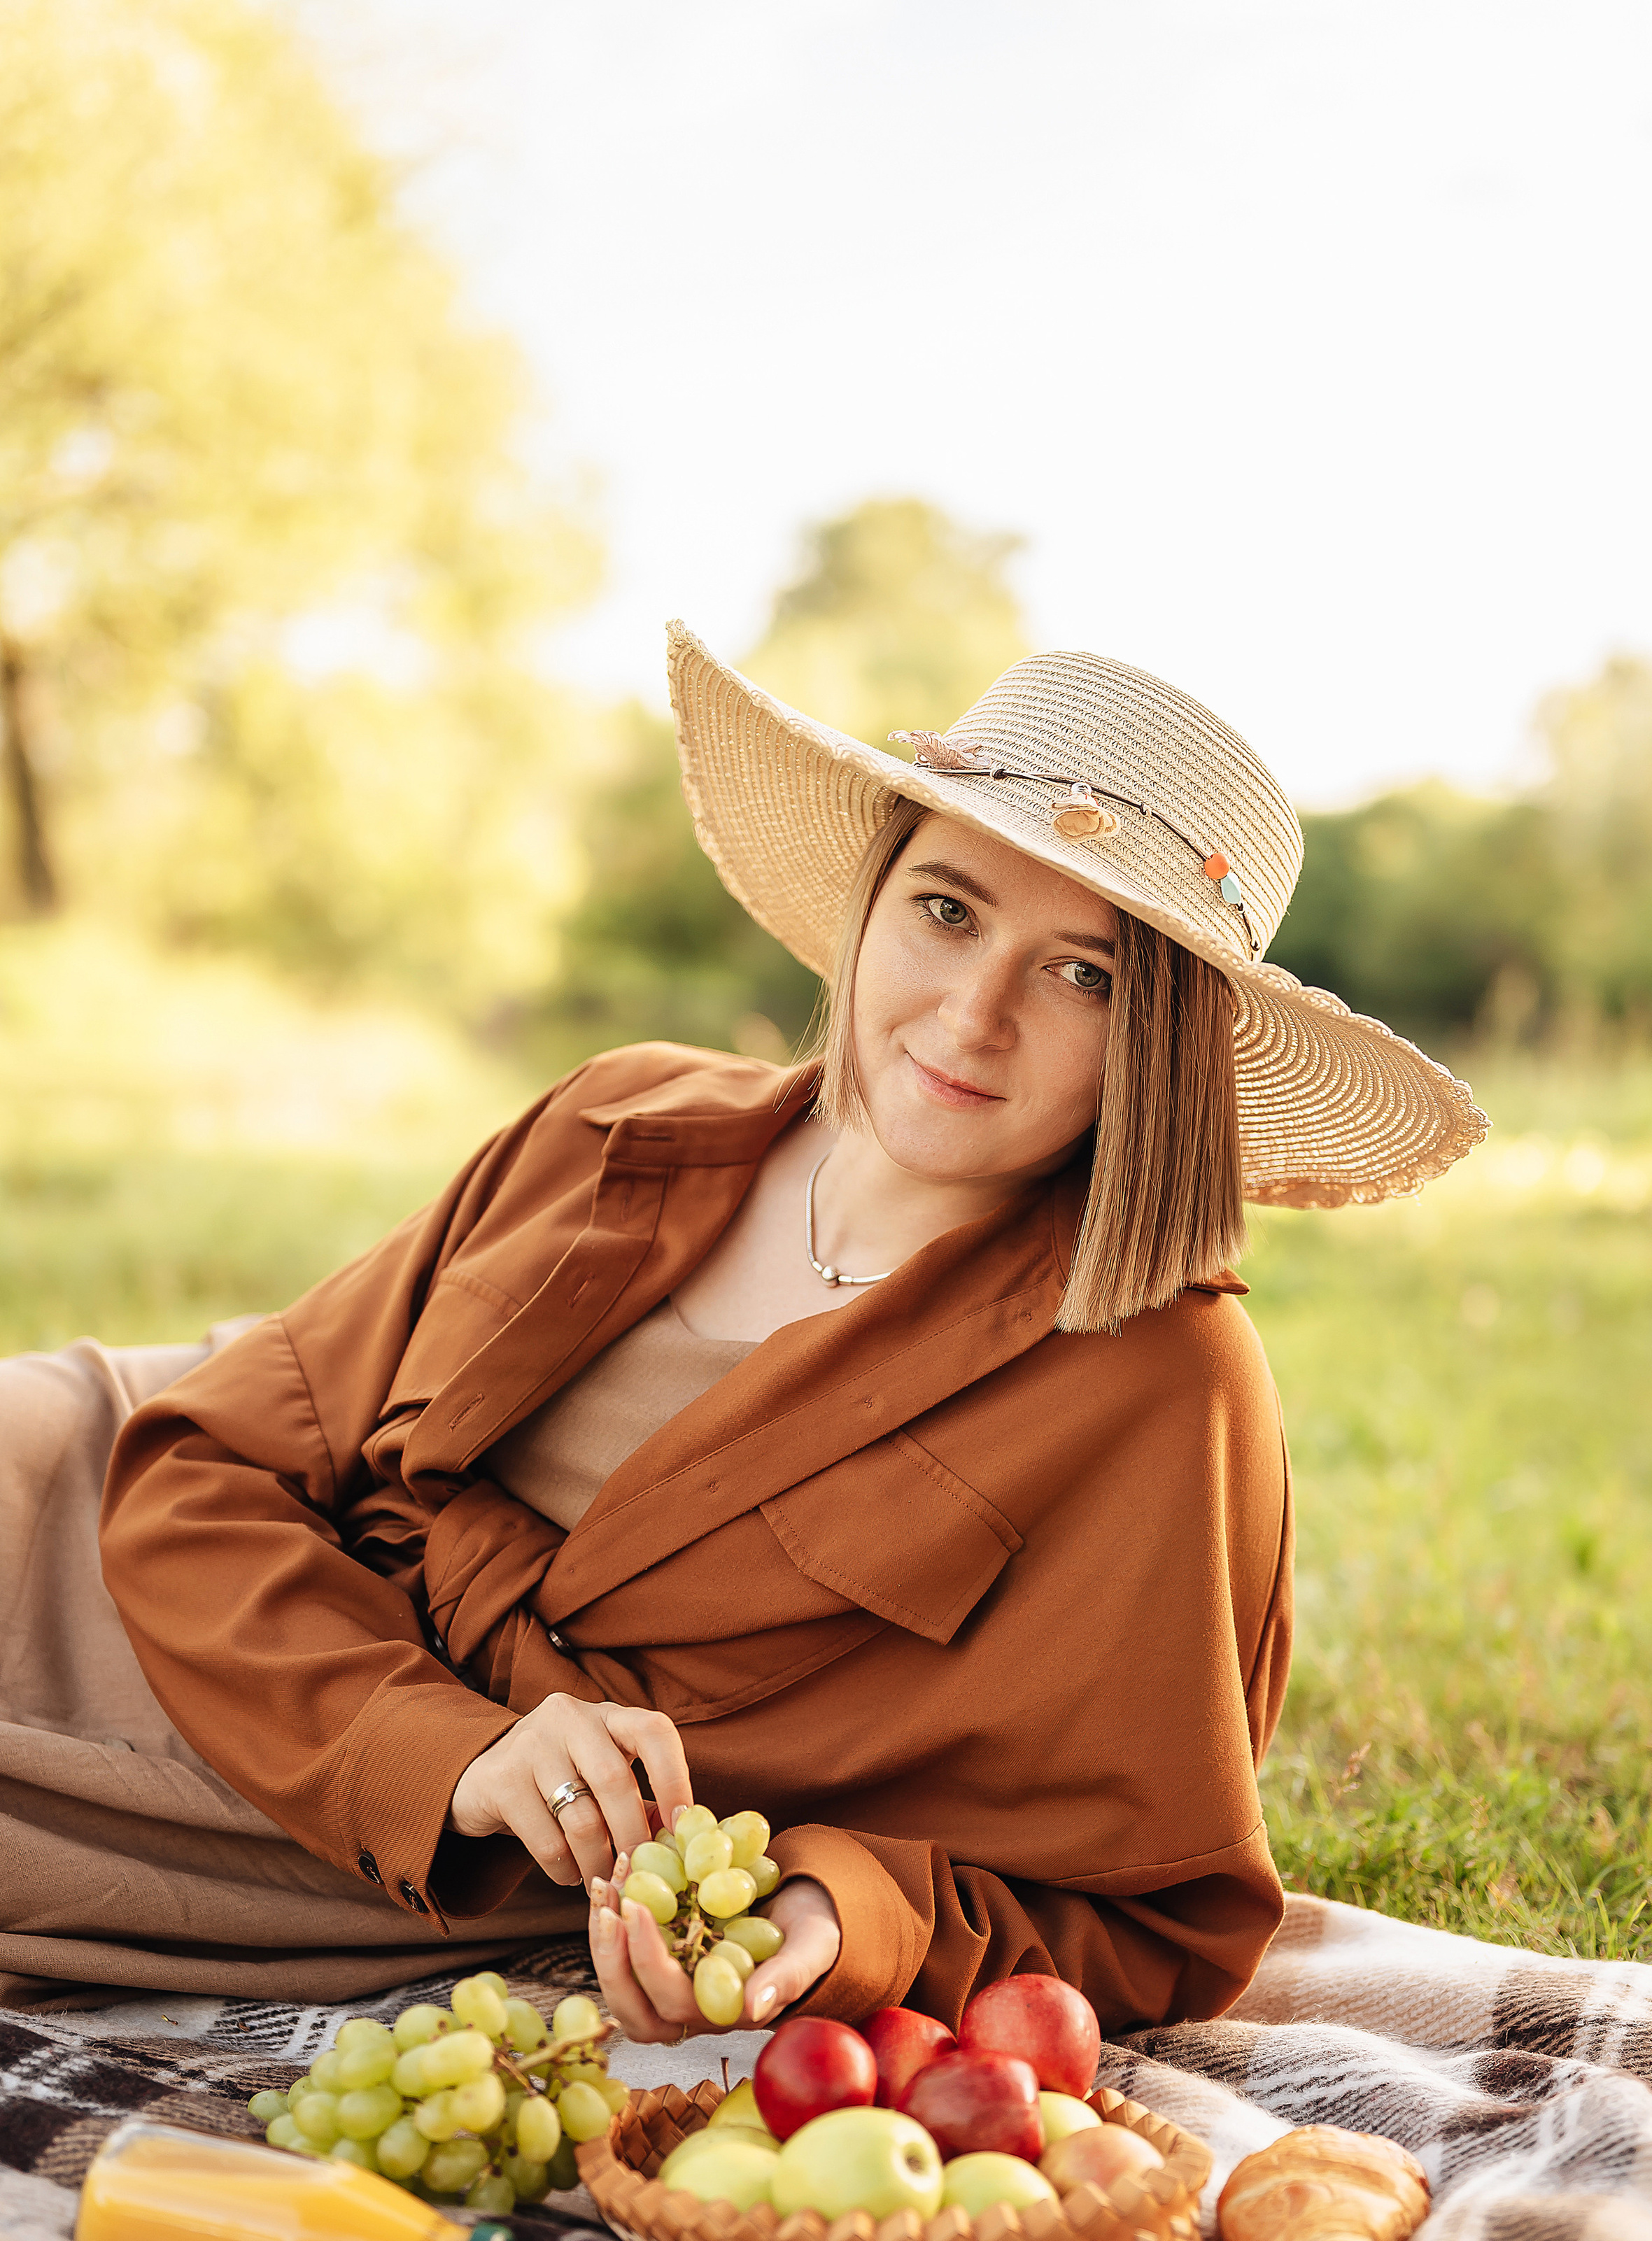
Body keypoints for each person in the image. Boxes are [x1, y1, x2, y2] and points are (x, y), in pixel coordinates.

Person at [6, 628, 1484, 2035]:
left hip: (332, 1807)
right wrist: (453, 1745)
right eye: (947, 909)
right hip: (150, 1521)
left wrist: (832, 1919)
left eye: (1081, 972)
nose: (973, 1015)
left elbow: (1149, 1921)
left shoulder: (1156, 1387)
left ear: (1152, 1047)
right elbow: (205, 1459)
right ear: (868, 904)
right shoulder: (617, 1114)